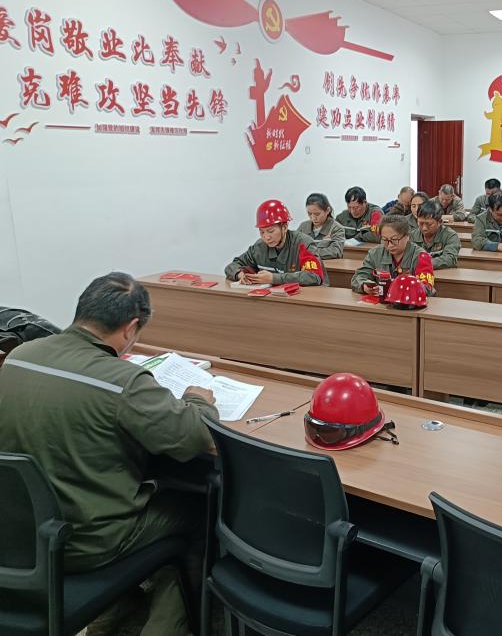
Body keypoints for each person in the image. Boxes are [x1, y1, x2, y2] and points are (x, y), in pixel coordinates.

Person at [0, 273, 217, 636]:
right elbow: (195, 438)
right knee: (199, 507)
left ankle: (116, 604)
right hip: (89, 542)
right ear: (131, 328)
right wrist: (198, 400)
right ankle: (166, 626)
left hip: (23, 536)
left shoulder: (19, 357)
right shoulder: (123, 381)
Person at [225, 199, 328, 286]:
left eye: (271, 231)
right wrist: (239, 274)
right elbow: (232, 266)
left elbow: (314, 276)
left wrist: (273, 278)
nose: (266, 237)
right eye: (262, 232)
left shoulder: (303, 244)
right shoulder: (259, 247)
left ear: (284, 227)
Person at [351, 215, 436, 297]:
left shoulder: (421, 256)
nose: (390, 245)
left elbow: (427, 287)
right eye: (385, 240)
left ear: (407, 236)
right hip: (382, 303)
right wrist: (364, 285)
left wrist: (403, 288)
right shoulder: (375, 253)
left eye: (394, 239)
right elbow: (359, 277)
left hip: (409, 303)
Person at [412, 201, 461, 269]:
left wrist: (424, 263)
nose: (424, 228)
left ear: (440, 222)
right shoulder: (412, 236)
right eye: (421, 223)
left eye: (429, 224)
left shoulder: (450, 236)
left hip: (443, 273)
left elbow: (450, 258)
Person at [296, 192, 346, 259]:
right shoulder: (303, 226)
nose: (313, 218)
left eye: (317, 214)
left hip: (327, 264)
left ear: (327, 210)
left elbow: (335, 252)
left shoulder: (337, 228)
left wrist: (308, 252)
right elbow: (293, 247)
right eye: (309, 214)